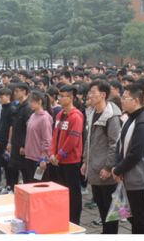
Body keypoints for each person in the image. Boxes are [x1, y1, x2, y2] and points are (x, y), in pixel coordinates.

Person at [111, 83, 144, 234]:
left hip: (142, 180)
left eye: (125, 98)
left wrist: (118, 169)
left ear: (136, 101)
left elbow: (136, 153)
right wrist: (116, 166)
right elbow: (120, 146)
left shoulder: (143, 122)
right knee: (133, 219)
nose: (122, 101)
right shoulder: (130, 118)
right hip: (130, 179)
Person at [81, 80, 122, 234]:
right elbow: (88, 140)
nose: (90, 95)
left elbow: (114, 144)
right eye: (90, 92)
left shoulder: (111, 116)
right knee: (101, 205)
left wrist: (108, 167)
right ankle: (105, 232)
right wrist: (85, 161)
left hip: (106, 171)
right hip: (94, 167)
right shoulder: (92, 112)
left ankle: (111, 233)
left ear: (103, 94)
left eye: (93, 92)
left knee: (111, 209)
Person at [49, 85, 84, 225]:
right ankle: (64, 217)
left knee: (74, 193)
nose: (59, 98)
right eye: (59, 95)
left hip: (70, 161)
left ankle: (74, 221)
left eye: (62, 96)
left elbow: (72, 140)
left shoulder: (76, 116)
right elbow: (54, 136)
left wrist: (58, 155)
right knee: (63, 191)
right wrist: (52, 153)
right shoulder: (59, 115)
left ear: (70, 98)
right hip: (58, 161)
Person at [6, 83, 34, 191]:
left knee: (25, 171)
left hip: (22, 145)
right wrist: (10, 141)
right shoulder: (19, 106)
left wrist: (23, 145)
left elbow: (28, 129)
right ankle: (14, 190)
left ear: (24, 92)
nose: (15, 93)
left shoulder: (27, 108)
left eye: (17, 91)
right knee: (13, 167)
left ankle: (27, 192)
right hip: (16, 142)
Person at [24, 89, 53, 183]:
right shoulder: (33, 115)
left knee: (40, 185)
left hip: (39, 158)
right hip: (30, 156)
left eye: (32, 102)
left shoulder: (45, 118)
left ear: (39, 101)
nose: (30, 104)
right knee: (32, 183)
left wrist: (43, 158)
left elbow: (46, 139)